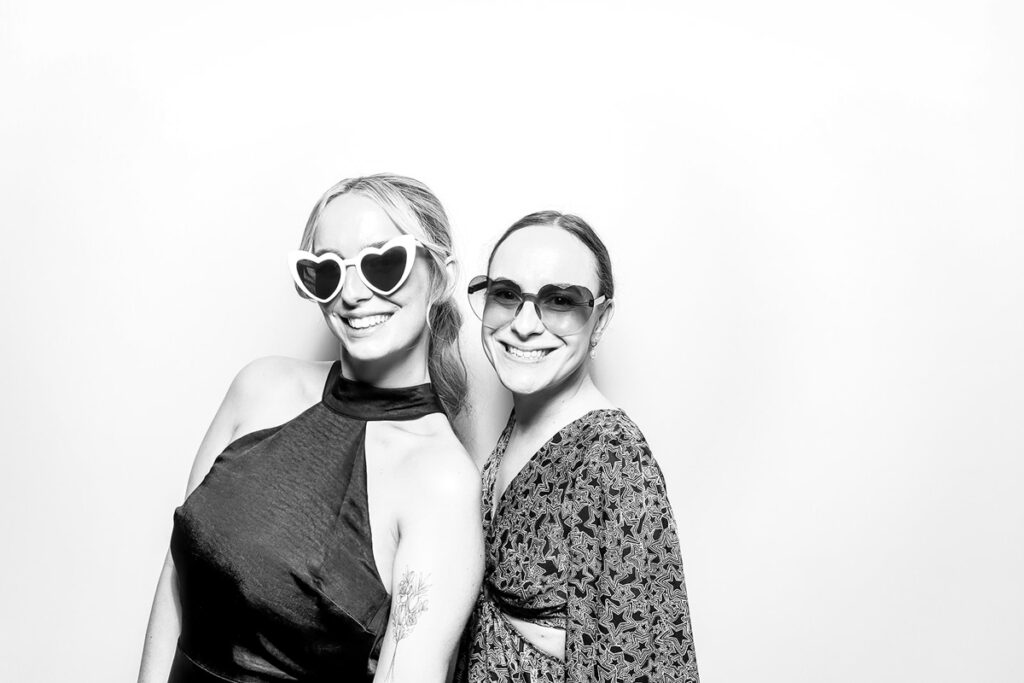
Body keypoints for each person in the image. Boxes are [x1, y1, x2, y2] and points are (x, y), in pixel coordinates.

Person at [138, 174, 484, 683]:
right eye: (326, 272)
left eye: (383, 264)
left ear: (441, 275)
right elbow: (176, 577)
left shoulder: (440, 481)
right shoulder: (259, 389)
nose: (352, 293)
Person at [457, 211, 699, 683]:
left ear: (600, 318)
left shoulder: (613, 457)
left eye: (561, 300)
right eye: (506, 295)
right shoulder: (521, 424)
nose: (524, 325)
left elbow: (643, 660)